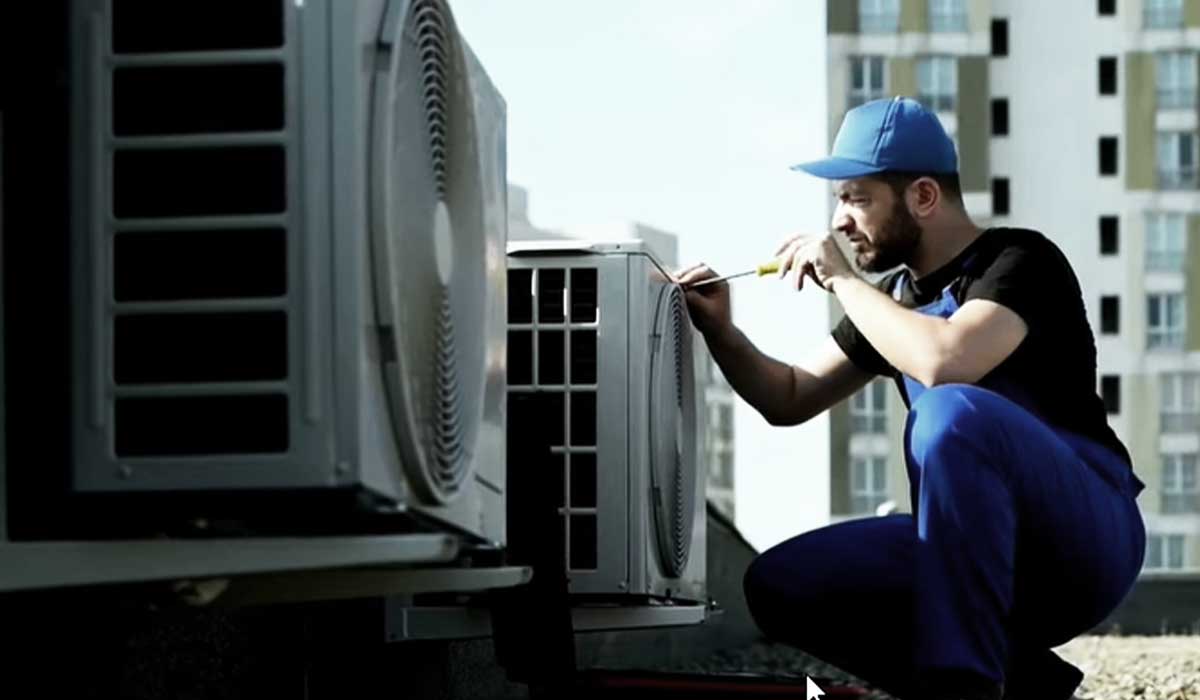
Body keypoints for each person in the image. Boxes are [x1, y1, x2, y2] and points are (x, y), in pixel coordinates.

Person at [677, 97, 1146, 700]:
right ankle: (1029, 686)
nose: (840, 220)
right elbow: (787, 396)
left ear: (923, 197)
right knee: (782, 582)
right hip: (964, 551)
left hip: (1082, 539)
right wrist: (722, 331)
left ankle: (963, 689)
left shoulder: (1020, 261)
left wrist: (843, 279)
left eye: (856, 198)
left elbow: (946, 359)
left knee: (949, 410)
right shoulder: (894, 301)